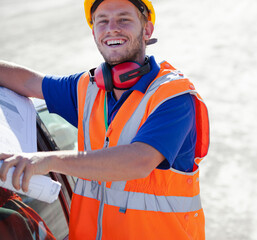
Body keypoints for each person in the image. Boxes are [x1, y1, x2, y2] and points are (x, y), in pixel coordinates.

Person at [0, 0, 209, 239]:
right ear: (94, 32)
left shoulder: (173, 96)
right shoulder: (86, 89)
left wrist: (46, 160)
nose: (112, 28)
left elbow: (138, 161)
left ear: (147, 30)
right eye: (102, 21)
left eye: (124, 19)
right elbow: (28, 82)